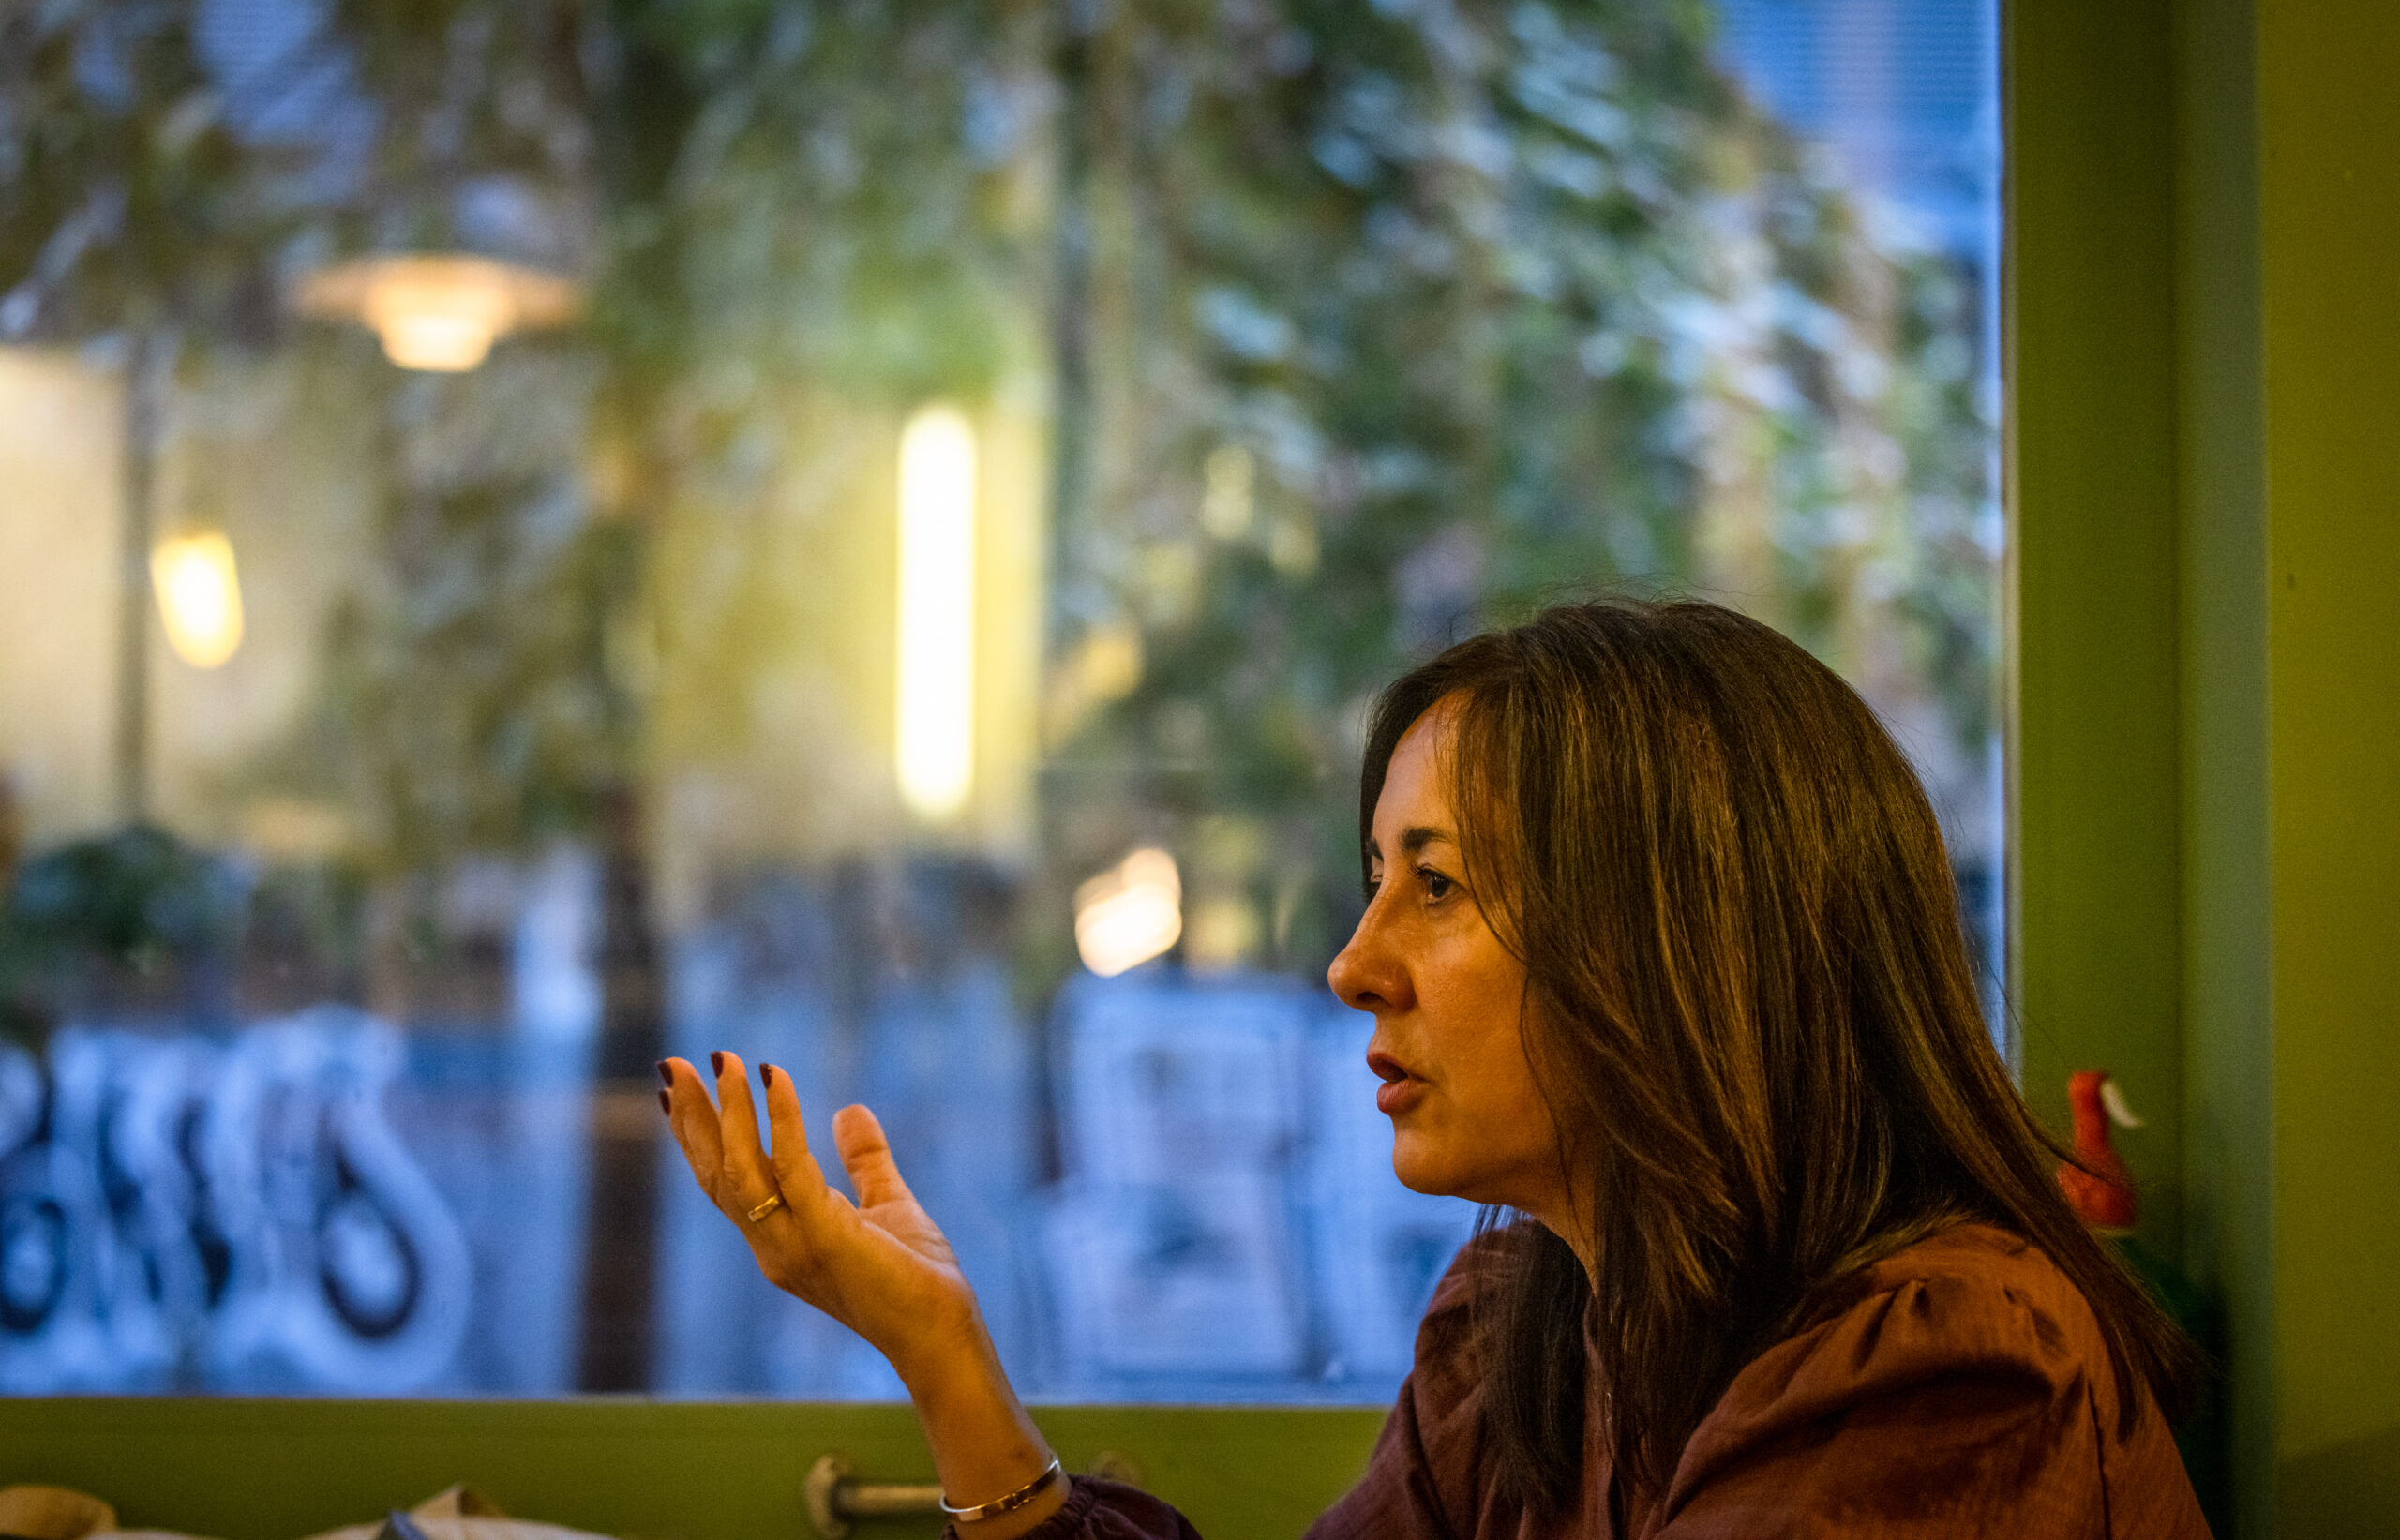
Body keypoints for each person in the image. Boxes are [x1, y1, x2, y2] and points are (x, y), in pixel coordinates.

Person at [657, 599, 2211, 1538]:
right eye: (1372, 881)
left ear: (1669, 945)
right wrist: (945, 1358)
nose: (1352, 964)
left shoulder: (1949, 1375)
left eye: (1439, 884)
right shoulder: (1528, 1328)